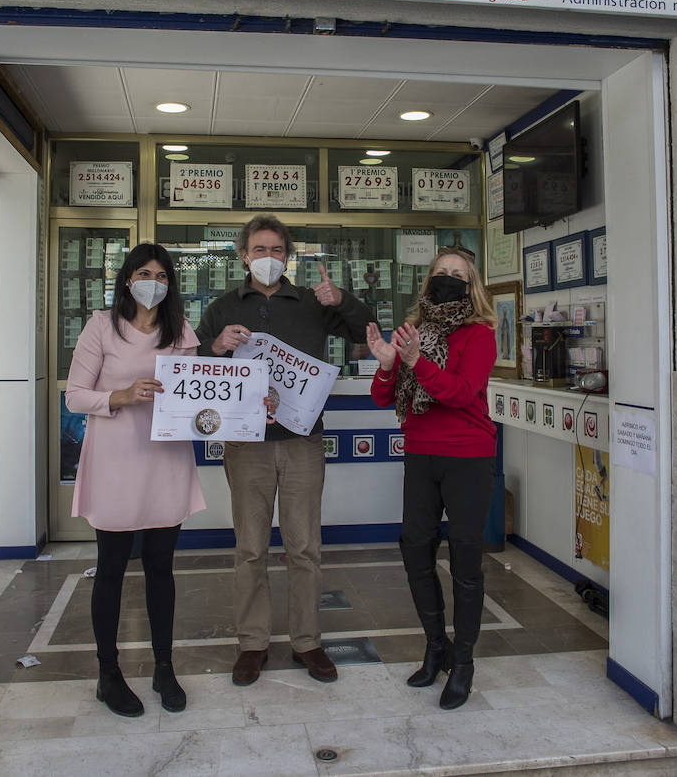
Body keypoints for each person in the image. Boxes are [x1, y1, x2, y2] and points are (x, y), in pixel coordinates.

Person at [197, 214, 374, 686]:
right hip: (246, 444)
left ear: (288, 256)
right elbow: (192, 367)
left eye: (277, 250)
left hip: (302, 441)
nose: (269, 258)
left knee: (304, 548)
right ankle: (252, 644)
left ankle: (307, 642)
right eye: (260, 250)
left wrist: (344, 300)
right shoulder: (221, 307)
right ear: (243, 256)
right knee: (250, 548)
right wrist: (215, 346)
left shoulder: (314, 303)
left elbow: (366, 332)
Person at [65, 243, 205, 718]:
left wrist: (244, 406)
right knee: (112, 568)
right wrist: (120, 395)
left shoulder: (180, 330)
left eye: (163, 275)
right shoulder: (101, 326)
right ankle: (109, 673)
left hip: (165, 460)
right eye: (145, 273)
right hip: (115, 462)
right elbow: (75, 397)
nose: (154, 282)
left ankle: (164, 668)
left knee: (161, 568)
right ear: (127, 279)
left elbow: (199, 392)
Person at [366, 245, 498, 709]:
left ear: (471, 284)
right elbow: (384, 399)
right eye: (440, 272)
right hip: (421, 453)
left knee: (466, 564)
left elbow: (461, 394)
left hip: (467, 456)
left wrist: (416, 361)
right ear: (427, 281)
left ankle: (463, 663)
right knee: (415, 551)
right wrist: (388, 364)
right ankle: (435, 645)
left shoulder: (479, 335)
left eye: (457, 273)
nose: (448, 278)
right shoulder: (414, 330)